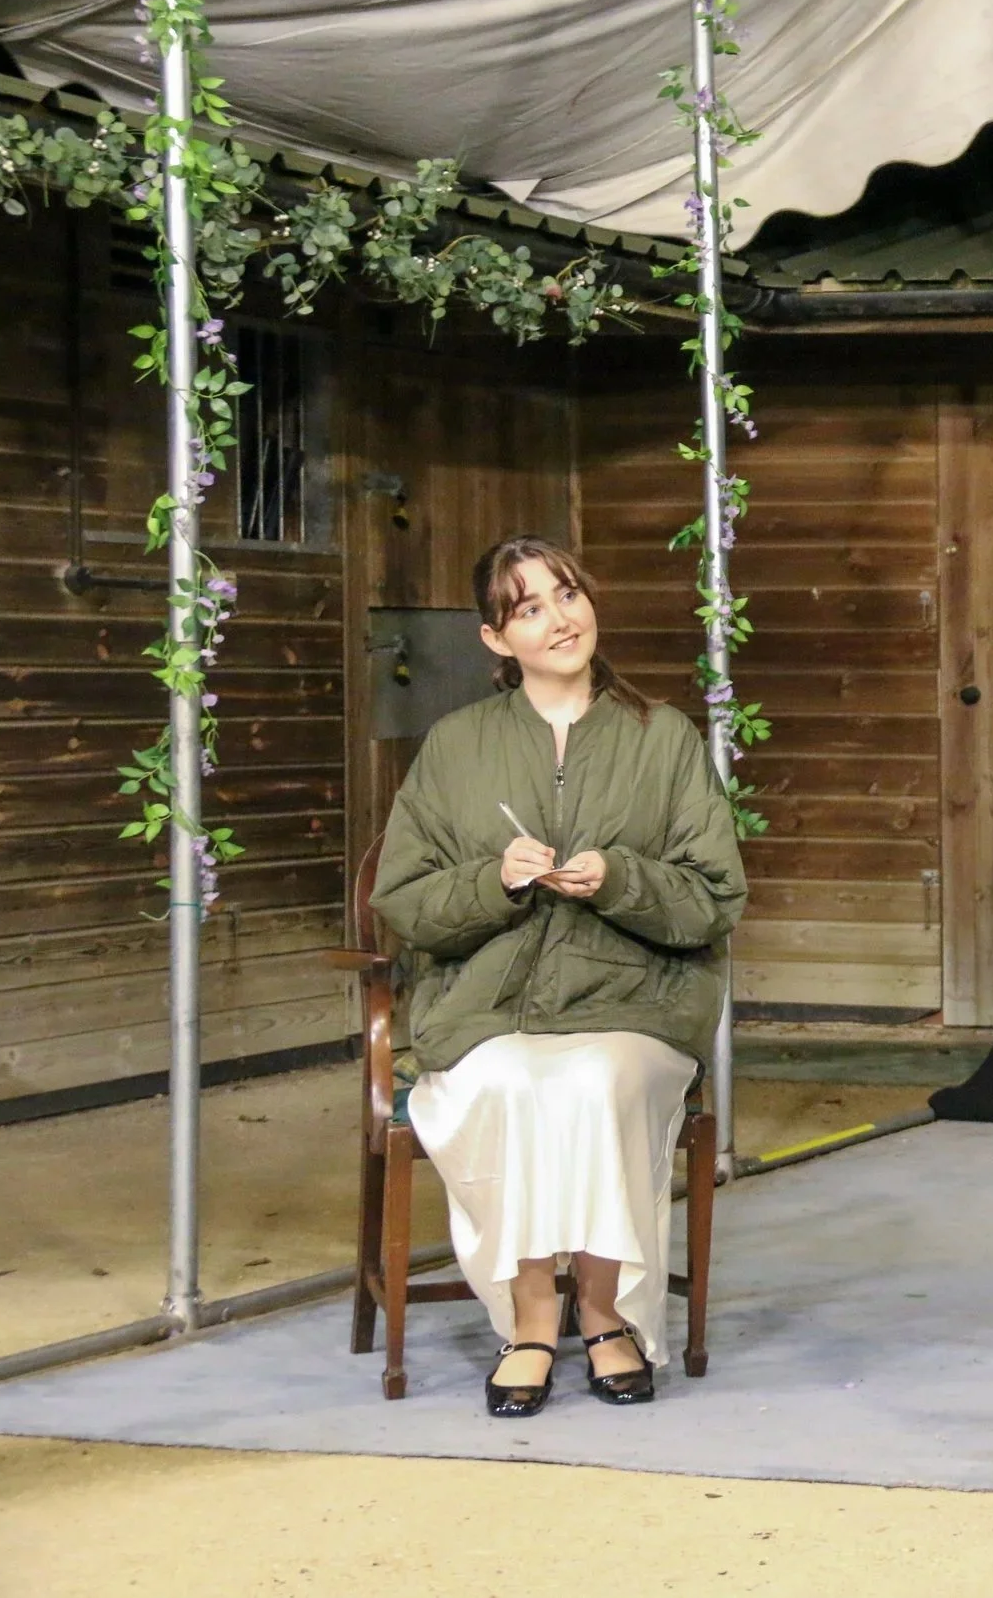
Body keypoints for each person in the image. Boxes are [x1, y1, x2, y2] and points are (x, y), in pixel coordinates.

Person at [371, 534, 748, 1416]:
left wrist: (622, 879)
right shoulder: (457, 745)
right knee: (504, 1082)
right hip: (486, 1007)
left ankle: (606, 1310)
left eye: (568, 593)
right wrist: (493, 880)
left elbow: (714, 895)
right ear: (497, 640)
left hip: (634, 1003)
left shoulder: (663, 738)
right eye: (528, 606)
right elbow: (406, 897)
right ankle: (532, 1317)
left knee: (593, 1078)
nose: (558, 617)